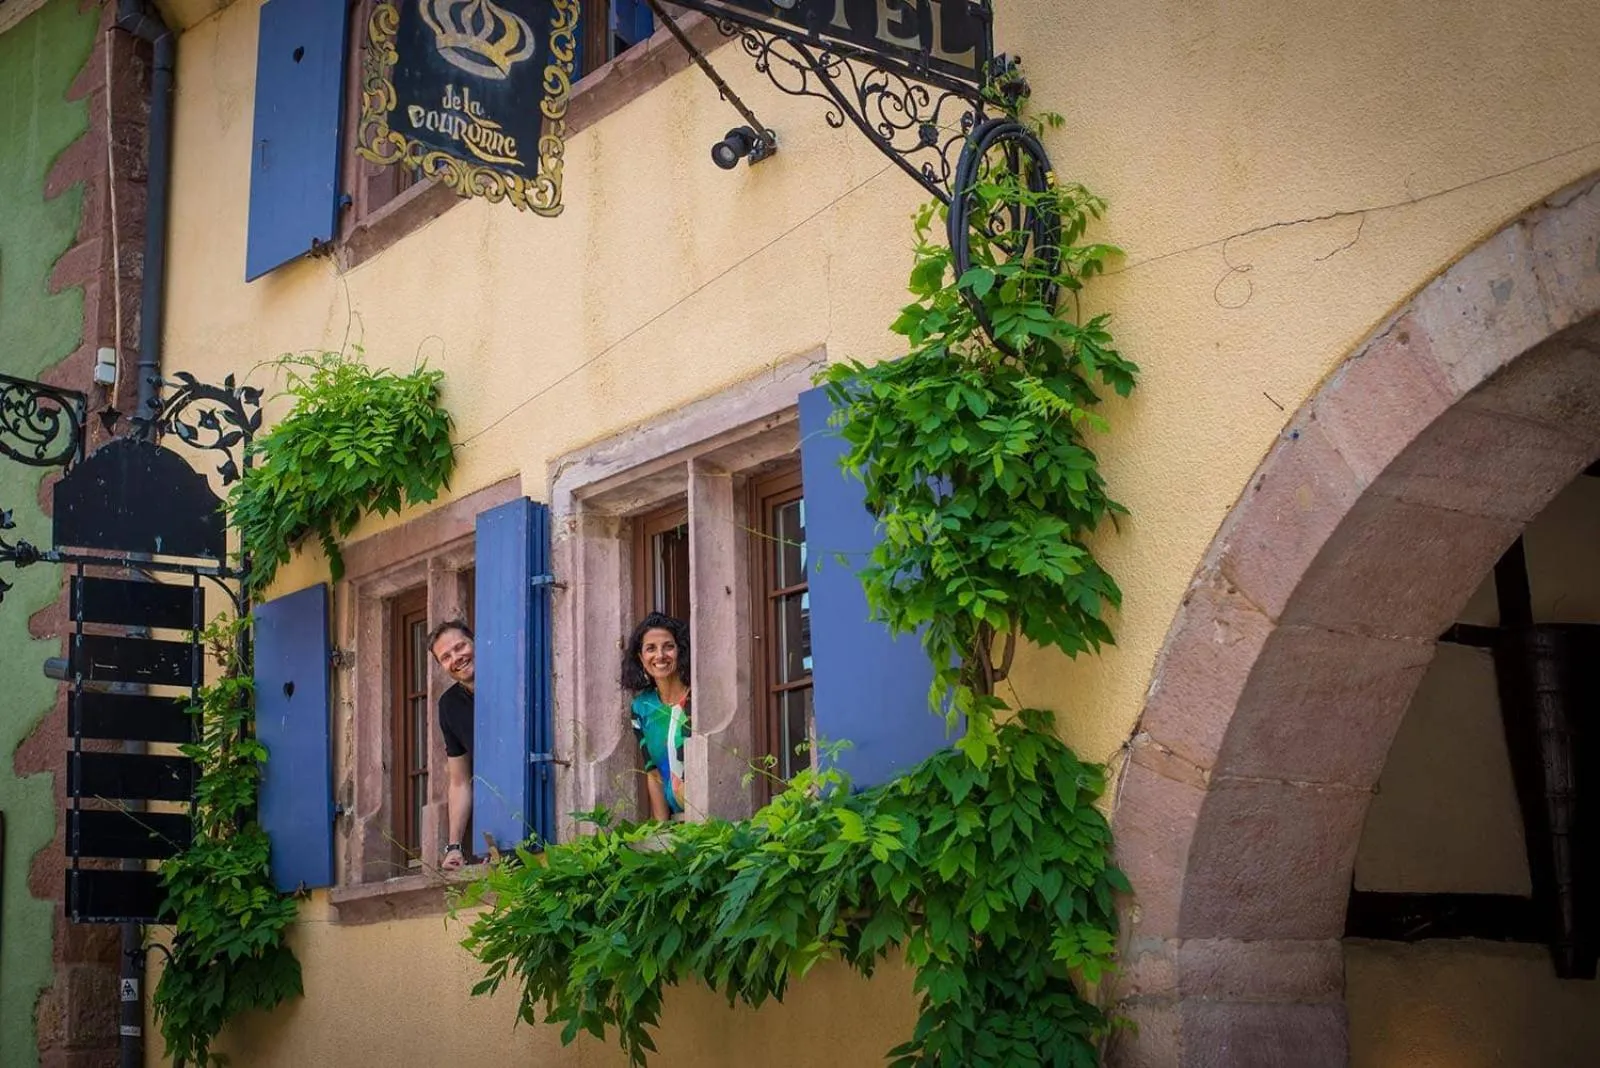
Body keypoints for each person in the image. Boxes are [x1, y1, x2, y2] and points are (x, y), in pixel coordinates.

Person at [621, 612, 691, 821]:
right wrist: (662, 833)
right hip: (676, 821)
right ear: (641, 658)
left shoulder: (698, 698)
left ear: (681, 651)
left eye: (668, 646)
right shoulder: (642, 707)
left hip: (707, 818)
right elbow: (654, 775)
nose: (660, 655)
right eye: (651, 648)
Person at [428, 619, 475, 871]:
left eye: (460, 647)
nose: (456, 658)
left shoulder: (509, 675)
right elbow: (459, 781)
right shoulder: (448, 706)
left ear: (475, 641)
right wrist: (454, 846)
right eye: (445, 657)